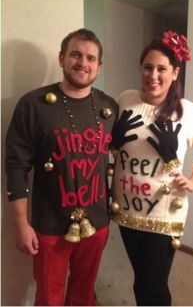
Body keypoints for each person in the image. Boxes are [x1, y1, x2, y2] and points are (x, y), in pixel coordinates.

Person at [5, 28, 118, 306]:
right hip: (50, 225)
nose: (83, 62)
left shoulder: (109, 107)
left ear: (99, 66)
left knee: (84, 293)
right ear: (61, 58)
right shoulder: (33, 105)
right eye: (75, 54)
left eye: (91, 58)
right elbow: (16, 165)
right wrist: (21, 223)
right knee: (49, 297)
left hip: (97, 223)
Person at [111, 30, 193, 306]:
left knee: (153, 283)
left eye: (162, 69)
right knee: (141, 278)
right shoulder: (125, 100)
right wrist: (114, 141)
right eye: (148, 67)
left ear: (175, 73)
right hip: (126, 209)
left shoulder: (189, 112)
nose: (153, 75)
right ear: (140, 69)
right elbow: (111, 148)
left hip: (164, 213)